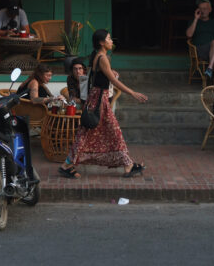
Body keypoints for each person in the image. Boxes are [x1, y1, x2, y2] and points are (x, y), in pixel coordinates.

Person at [60, 29, 149, 179]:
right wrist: (133, 93)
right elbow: (113, 81)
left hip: (97, 98)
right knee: (105, 132)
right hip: (99, 100)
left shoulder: (98, 55)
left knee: (97, 132)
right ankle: (67, 165)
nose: (111, 41)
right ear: (102, 42)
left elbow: (101, 75)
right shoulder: (102, 57)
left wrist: (109, 72)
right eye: (109, 38)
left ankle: (127, 165)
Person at [187, 0, 214, 79]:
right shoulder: (194, 21)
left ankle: (212, 75)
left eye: (205, 9)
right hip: (199, 50)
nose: (202, 11)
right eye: (200, 9)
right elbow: (189, 35)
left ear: (210, 10)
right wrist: (196, 19)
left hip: (213, 51)